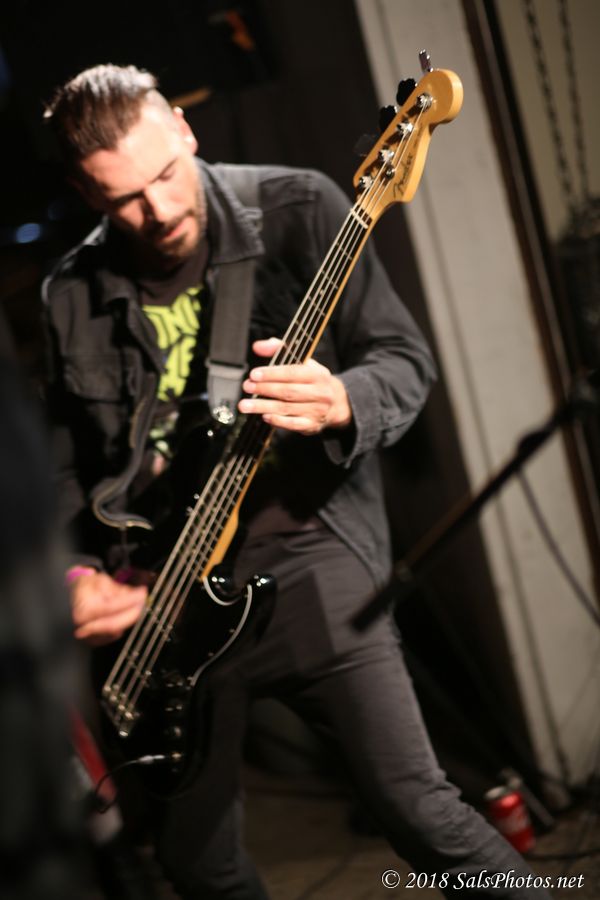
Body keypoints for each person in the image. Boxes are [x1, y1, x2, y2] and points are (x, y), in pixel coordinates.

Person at [41, 64, 552, 899]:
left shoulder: (297, 208)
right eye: (122, 198)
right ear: (82, 192)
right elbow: (69, 468)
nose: (158, 210)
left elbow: (404, 361)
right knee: (195, 864)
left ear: (184, 129)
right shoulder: (71, 291)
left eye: (165, 174)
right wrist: (74, 576)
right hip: (164, 589)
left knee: (417, 810)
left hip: (309, 548)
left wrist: (341, 399)